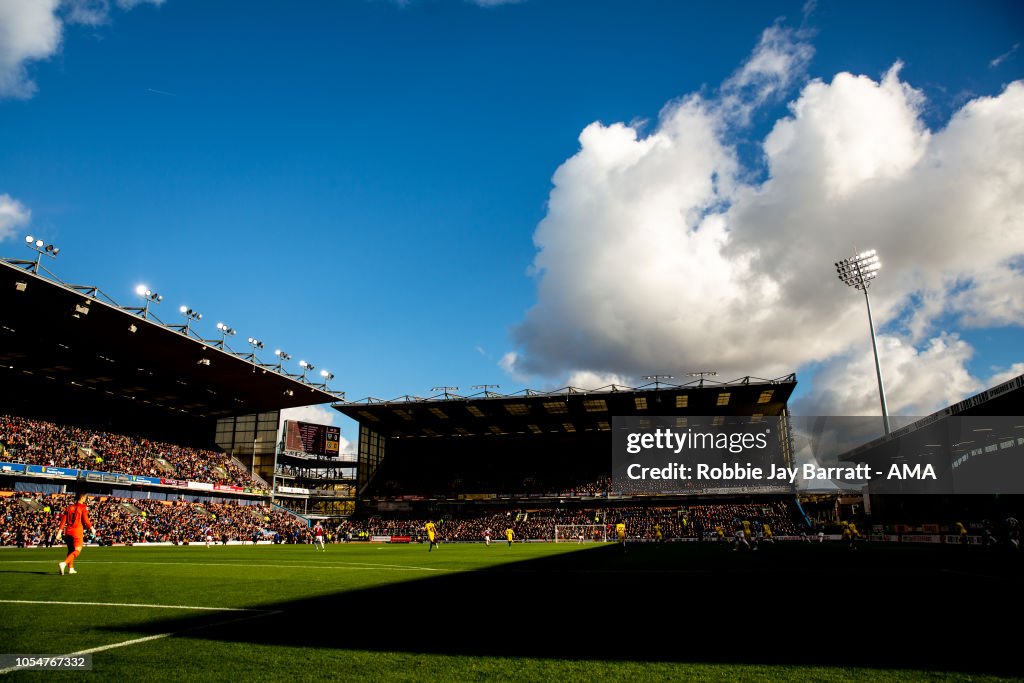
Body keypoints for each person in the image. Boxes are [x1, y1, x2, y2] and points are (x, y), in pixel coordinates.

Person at [56, 492, 95, 576]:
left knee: (70, 550)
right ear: (82, 498)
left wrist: (59, 532)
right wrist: (91, 528)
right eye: (85, 497)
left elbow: (63, 520)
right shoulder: (83, 507)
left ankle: (71, 568)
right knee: (77, 551)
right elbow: (85, 519)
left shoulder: (69, 507)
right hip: (77, 531)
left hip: (68, 531)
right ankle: (64, 563)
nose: (85, 499)